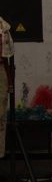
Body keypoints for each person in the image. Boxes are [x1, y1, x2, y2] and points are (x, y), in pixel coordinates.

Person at [0, 15, 14, 158]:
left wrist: (10, 81)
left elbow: (7, 57)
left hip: (0, 70)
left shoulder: (2, 26)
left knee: (0, 114)